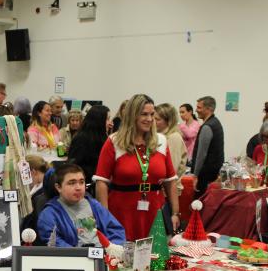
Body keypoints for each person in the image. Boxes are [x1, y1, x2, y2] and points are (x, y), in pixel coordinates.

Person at [95, 94, 180, 240]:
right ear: (132, 115)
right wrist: (105, 217)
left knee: (156, 259)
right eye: (144, 114)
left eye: (152, 114)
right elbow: (101, 181)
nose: (149, 119)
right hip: (122, 213)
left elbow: (170, 181)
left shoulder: (161, 141)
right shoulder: (114, 141)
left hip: (154, 212)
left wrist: (175, 213)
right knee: (123, 259)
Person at [37, 163, 125, 247]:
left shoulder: (94, 205)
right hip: (75, 258)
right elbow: (55, 243)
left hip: (103, 255)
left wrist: (112, 250)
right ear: (58, 187)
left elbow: (115, 230)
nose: (78, 187)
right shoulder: (49, 214)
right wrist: (81, 257)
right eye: (72, 183)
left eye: (81, 182)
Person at [191, 95, 225, 196]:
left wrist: (195, 175)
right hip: (213, 173)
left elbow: (201, 154)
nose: (196, 110)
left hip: (205, 176)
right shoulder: (216, 122)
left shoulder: (207, 127)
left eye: (199, 107)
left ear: (209, 109)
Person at [68, 105, 109, 184]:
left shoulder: (103, 137)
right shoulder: (81, 139)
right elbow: (75, 166)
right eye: (107, 119)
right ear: (99, 120)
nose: (110, 123)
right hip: (87, 183)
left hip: (100, 180)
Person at [155, 103, 188, 194]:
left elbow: (172, 170)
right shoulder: (160, 136)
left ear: (168, 121)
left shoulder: (173, 137)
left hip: (168, 192)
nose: (153, 121)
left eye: (157, 119)